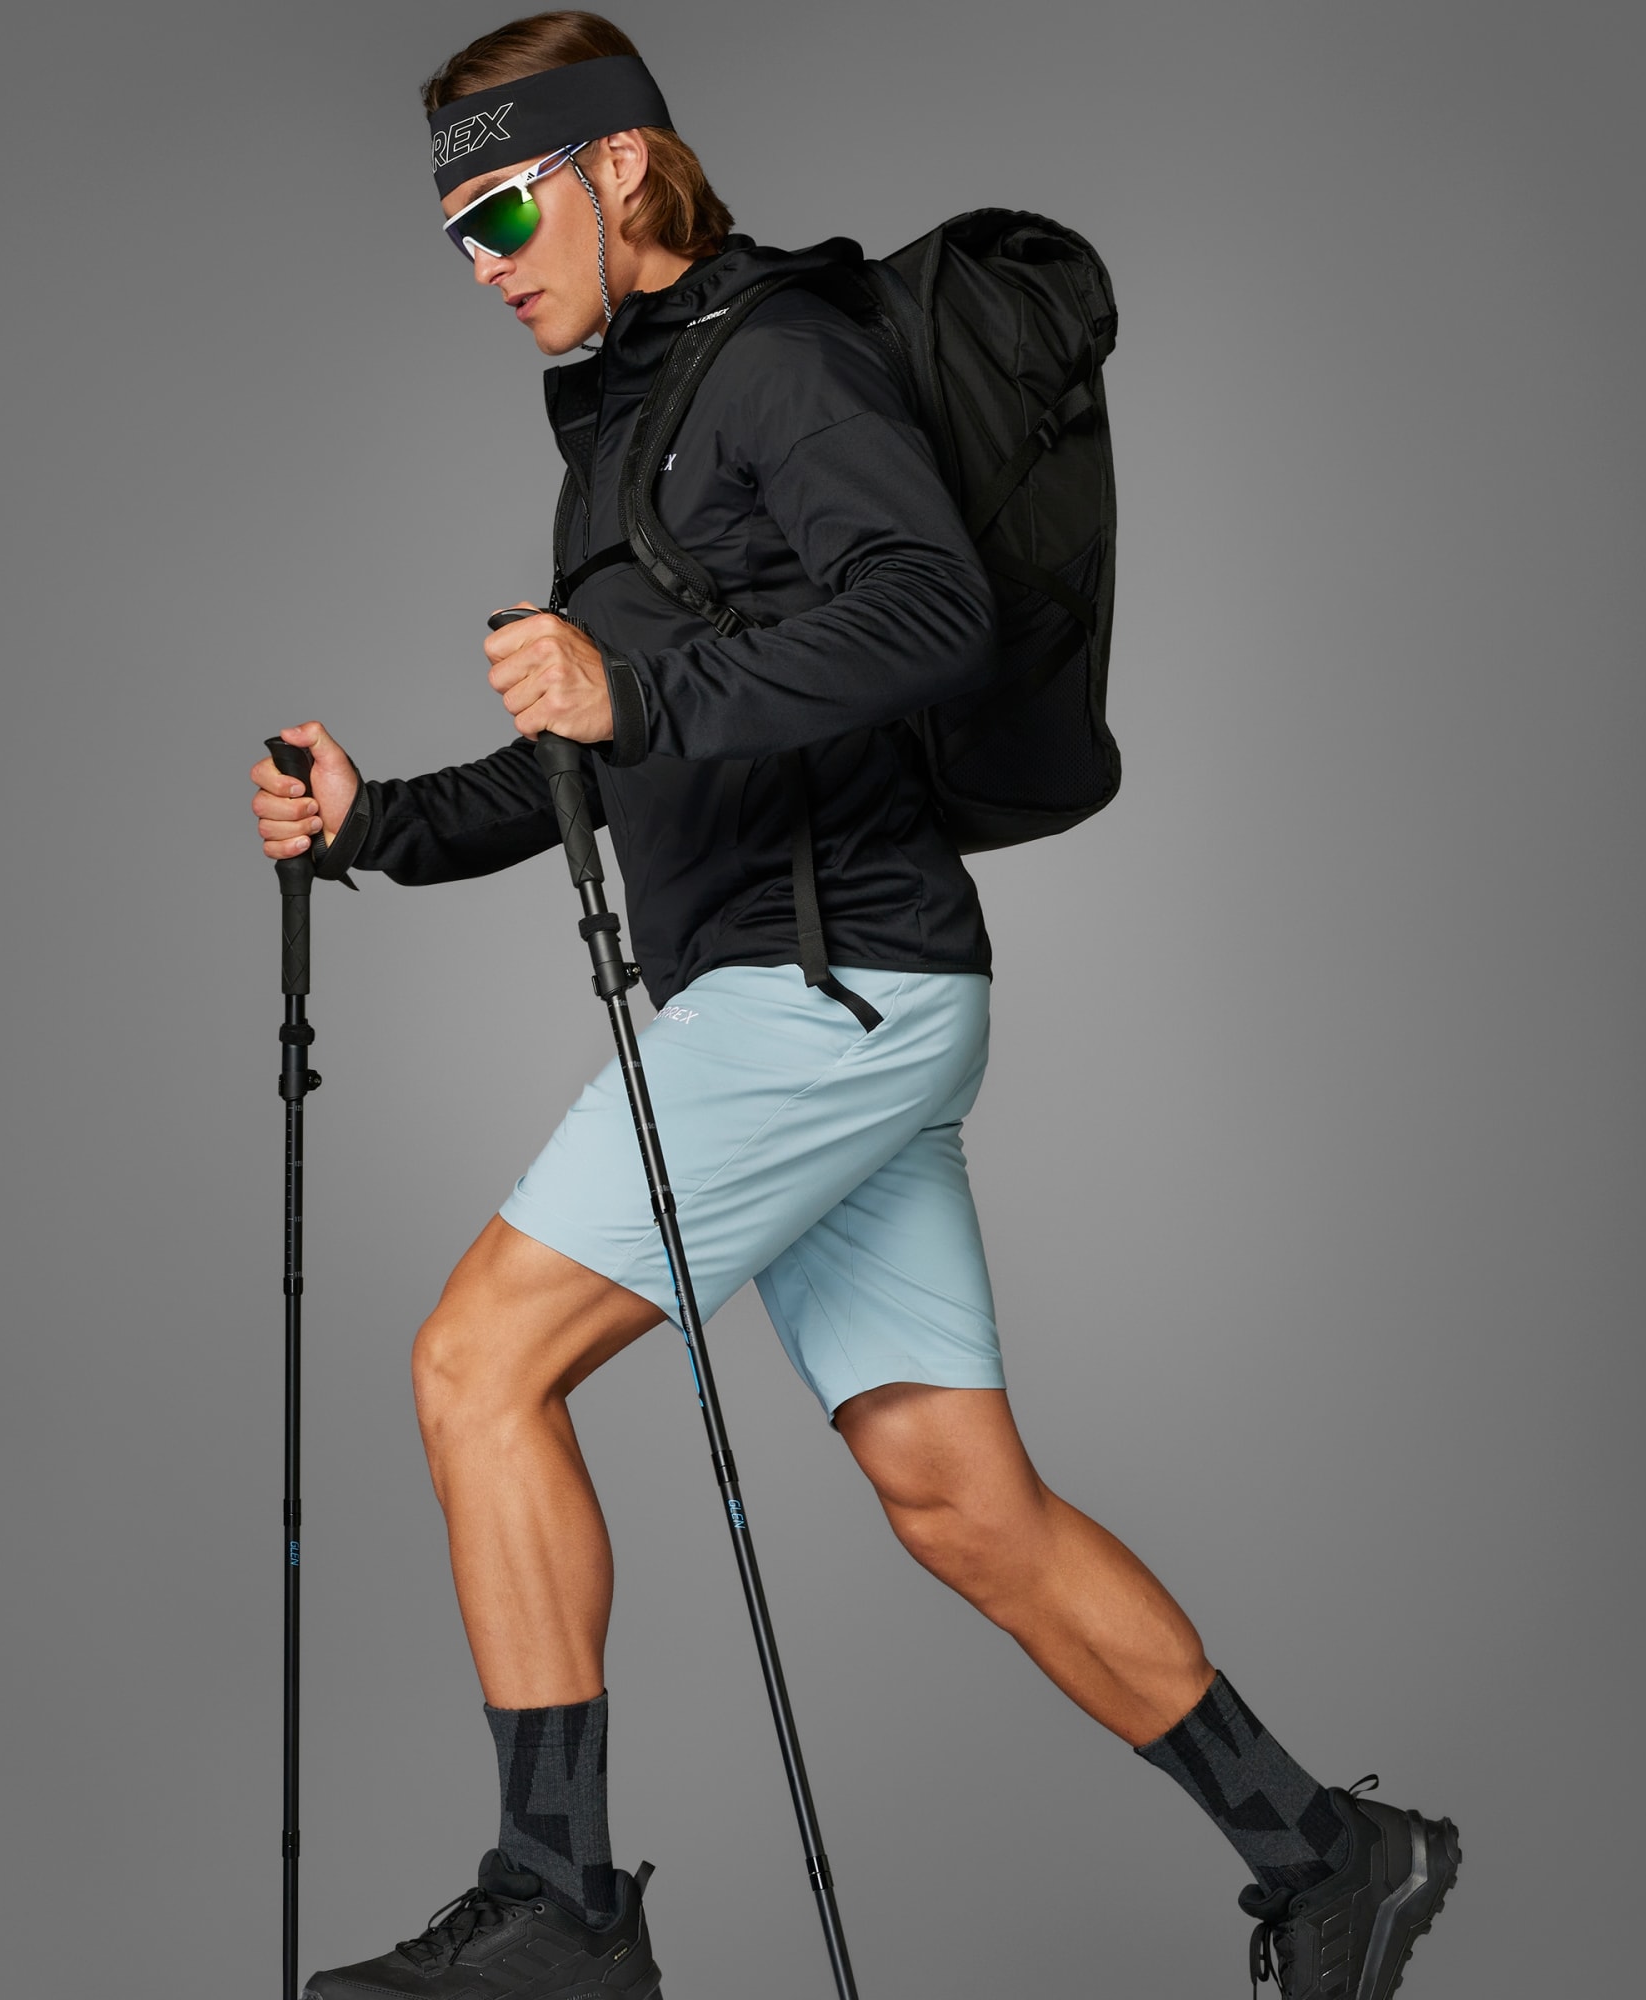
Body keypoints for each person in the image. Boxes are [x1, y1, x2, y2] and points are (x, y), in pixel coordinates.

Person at [249, 14, 1459, 1999]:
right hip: (848, 989)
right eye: (454, 231)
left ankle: (560, 1903)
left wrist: (631, 690)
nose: (480, 261)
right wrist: (374, 820)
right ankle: (1334, 1855)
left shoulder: (775, 363)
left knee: (475, 1365)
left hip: (821, 987)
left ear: (619, 165)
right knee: (963, 1503)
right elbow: (611, 758)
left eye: (504, 208)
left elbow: (925, 608)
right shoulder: (626, 424)